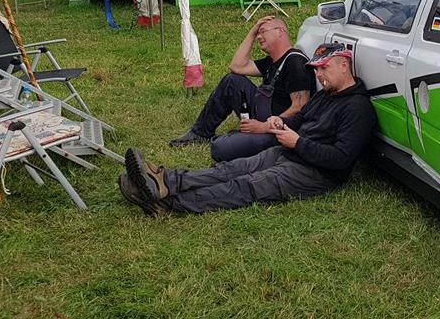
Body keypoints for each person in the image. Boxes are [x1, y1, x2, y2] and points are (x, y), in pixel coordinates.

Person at [120, 43, 376, 216]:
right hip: (290, 152)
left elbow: (341, 159)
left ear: (344, 65)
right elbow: (301, 118)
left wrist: (298, 143)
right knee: (231, 169)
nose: (319, 75)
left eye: (324, 68)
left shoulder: (358, 108)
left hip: (317, 172)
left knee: (245, 186)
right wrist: (281, 123)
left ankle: (164, 203)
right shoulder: (327, 94)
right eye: (317, 69)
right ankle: (166, 181)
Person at [169, 15, 314, 162]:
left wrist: (264, 127)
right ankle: (200, 133)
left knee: (219, 147)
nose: (259, 37)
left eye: (263, 31)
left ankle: (241, 138)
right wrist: (251, 33)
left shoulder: (295, 62)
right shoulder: (272, 61)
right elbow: (237, 67)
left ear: (280, 31)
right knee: (232, 81)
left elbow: (300, 107)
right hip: (262, 116)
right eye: (258, 33)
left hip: (279, 130)